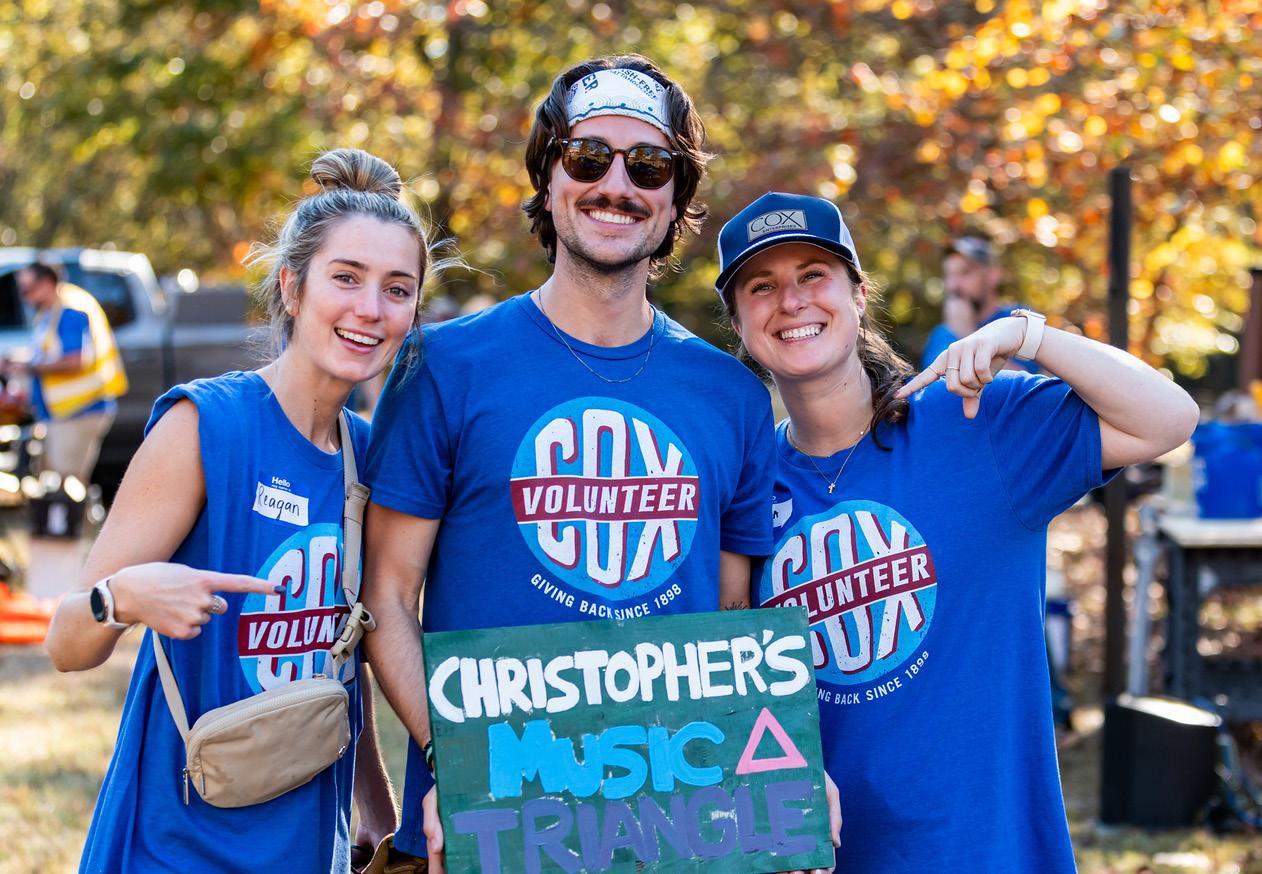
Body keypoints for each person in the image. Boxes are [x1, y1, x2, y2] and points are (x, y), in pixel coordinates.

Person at [363, 55, 834, 872]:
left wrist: (780, 771)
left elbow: (729, 622)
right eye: (587, 158)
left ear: (675, 199)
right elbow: (388, 596)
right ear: (548, 179)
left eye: (647, 166)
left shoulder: (731, 395)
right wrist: (462, 765)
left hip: (673, 834)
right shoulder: (443, 365)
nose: (616, 184)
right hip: (493, 834)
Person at [716, 191, 1199, 873]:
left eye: (814, 275)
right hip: (833, 859)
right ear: (739, 325)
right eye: (761, 286)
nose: (791, 301)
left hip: (991, 852)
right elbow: (732, 668)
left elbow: (1168, 419)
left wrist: (1026, 336)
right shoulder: (744, 486)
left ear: (858, 295)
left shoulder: (977, 421)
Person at [44, 148, 427, 873]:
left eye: (397, 289)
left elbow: (344, 656)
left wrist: (376, 813)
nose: (370, 309)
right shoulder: (203, 427)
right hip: (176, 845)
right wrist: (122, 598)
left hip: (308, 846)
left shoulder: (367, 455)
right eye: (346, 277)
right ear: (292, 286)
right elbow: (67, 645)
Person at [8, 261, 128, 484]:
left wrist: (29, 367)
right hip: (64, 413)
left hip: (80, 410)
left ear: (46, 283)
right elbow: (49, 352)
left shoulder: (69, 310)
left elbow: (75, 361)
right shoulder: (50, 311)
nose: (24, 296)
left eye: (27, 289)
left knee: (68, 485)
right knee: (59, 483)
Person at [921, 233, 1035, 372]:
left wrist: (966, 333)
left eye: (964, 273)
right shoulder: (940, 334)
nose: (953, 285)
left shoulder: (1019, 321)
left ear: (993, 275)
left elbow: (1032, 381)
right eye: (949, 275)